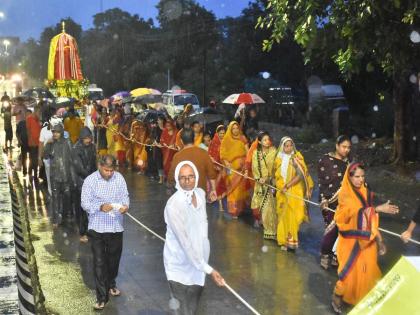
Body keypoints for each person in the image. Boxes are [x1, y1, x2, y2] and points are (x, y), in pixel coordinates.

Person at [332, 163, 399, 313]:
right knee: (348, 274)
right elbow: (347, 215)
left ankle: (361, 301)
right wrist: (376, 208)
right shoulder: (345, 194)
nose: (360, 180)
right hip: (350, 242)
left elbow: (371, 219)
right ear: (349, 177)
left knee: (367, 271)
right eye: (357, 176)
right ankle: (337, 297)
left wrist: (380, 240)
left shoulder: (365, 192)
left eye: (362, 176)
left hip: (367, 242)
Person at [164, 161, 225, 315]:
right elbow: (185, 243)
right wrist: (209, 270)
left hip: (199, 262)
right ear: (178, 179)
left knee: (192, 309)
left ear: (196, 177)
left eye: (191, 176)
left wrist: (204, 264)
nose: (187, 180)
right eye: (183, 177)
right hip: (179, 264)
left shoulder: (200, 194)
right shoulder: (174, 206)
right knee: (182, 310)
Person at [81, 154, 129, 311]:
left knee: (114, 260)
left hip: (116, 226)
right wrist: (100, 207)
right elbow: (85, 204)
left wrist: (125, 207)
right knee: (100, 263)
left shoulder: (119, 178)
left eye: (111, 170)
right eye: (106, 170)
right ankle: (101, 297)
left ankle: (111, 283)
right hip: (97, 227)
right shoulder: (90, 181)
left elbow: (125, 197)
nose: (109, 173)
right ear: (99, 166)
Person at [318, 135, 351, 270]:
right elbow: (322, 182)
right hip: (329, 201)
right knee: (331, 230)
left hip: (345, 202)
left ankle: (336, 255)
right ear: (337, 146)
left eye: (349, 147)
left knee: (343, 230)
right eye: (344, 146)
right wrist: (324, 199)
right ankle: (325, 255)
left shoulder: (348, 163)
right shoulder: (325, 160)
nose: (346, 150)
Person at [275, 136, 313, 250]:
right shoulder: (278, 159)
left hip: (294, 192)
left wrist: (287, 186)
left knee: (293, 216)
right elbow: (276, 176)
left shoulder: (297, 158)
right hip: (282, 192)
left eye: (291, 145)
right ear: (282, 147)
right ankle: (283, 241)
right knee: (282, 216)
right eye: (286, 146)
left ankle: (291, 241)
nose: (289, 147)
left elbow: (301, 176)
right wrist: (281, 186)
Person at [168, 129, 217, 202]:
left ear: (181, 141)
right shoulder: (203, 153)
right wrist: (213, 189)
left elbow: (171, 177)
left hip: (184, 194)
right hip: (200, 194)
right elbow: (212, 175)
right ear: (194, 138)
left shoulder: (177, 156)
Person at [43, 123, 74, 227]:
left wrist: (72, 176)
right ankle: (56, 220)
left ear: (61, 132)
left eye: (57, 132)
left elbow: (72, 159)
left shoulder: (68, 142)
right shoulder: (51, 144)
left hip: (66, 175)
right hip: (55, 175)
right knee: (55, 198)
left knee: (67, 197)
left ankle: (66, 216)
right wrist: (48, 143)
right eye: (54, 132)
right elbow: (45, 156)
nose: (55, 134)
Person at [220, 121, 250, 218]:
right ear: (230, 129)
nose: (236, 130)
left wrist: (246, 165)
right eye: (233, 128)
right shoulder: (226, 140)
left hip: (242, 168)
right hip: (232, 169)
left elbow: (248, 152)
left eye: (237, 128)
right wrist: (227, 162)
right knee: (233, 189)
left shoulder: (243, 138)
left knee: (241, 189)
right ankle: (233, 211)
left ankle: (240, 208)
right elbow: (222, 154)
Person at [72, 127, 97, 243]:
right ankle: (82, 232)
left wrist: (97, 176)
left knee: (92, 207)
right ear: (82, 138)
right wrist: (90, 177)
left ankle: (90, 230)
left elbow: (94, 163)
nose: (89, 140)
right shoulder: (76, 149)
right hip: (80, 181)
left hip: (91, 180)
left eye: (89, 138)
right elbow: (79, 168)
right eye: (86, 138)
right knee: (81, 209)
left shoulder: (92, 147)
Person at [251, 131, 277, 239]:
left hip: (271, 184)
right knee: (256, 206)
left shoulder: (274, 152)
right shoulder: (255, 153)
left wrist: (268, 178)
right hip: (259, 184)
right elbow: (254, 167)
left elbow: (276, 167)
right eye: (264, 140)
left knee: (269, 209)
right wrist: (259, 178)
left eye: (268, 139)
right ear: (260, 142)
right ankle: (261, 222)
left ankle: (270, 231)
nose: (267, 142)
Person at [38, 116, 62, 195]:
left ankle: (57, 193)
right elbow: (41, 144)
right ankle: (51, 193)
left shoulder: (61, 130)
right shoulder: (44, 130)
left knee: (58, 176)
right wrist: (39, 158)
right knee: (49, 177)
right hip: (47, 158)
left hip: (58, 158)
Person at [208, 125, 227, 211]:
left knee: (225, 185)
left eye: (224, 133)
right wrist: (212, 159)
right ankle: (220, 205)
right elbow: (209, 153)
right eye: (220, 133)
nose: (222, 135)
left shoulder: (228, 142)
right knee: (218, 185)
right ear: (217, 133)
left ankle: (224, 202)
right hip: (216, 167)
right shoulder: (213, 142)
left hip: (226, 167)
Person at [26, 106, 42, 182]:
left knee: (35, 158)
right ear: (35, 111)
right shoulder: (29, 118)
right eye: (38, 112)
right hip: (32, 143)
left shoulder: (38, 119)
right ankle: (33, 175)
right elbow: (28, 130)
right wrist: (31, 140)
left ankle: (33, 174)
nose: (39, 113)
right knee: (33, 159)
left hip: (38, 142)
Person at [16, 109, 31, 175]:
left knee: (32, 158)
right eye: (27, 114)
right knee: (24, 157)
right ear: (25, 115)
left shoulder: (34, 123)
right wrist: (19, 141)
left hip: (31, 144)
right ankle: (24, 171)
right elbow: (17, 132)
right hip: (23, 143)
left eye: (29, 114)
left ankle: (30, 171)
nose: (28, 116)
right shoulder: (21, 123)